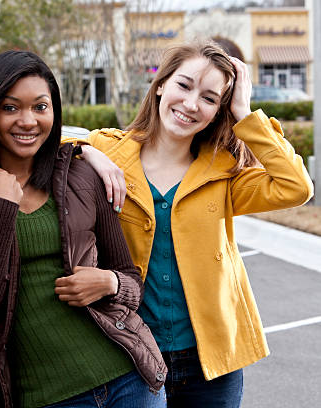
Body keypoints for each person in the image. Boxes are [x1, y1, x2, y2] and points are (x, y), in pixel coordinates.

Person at [63, 40, 314, 407]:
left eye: (210, 99)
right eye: (184, 85)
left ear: (218, 112)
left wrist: (244, 113)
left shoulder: (224, 174)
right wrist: (86, 152)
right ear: (161, 84)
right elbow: (44, 148)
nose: (192, 104)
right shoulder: (109, 149)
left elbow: (296, 187)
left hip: (209, 364)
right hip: (131, 355)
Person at [0, 50, 167, 408]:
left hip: (129, 380)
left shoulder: (80, 175)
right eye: (10, 108)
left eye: (40, 107)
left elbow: (131, 277)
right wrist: (2, 212)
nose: (28, 120)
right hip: (47, 397)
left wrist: (109, 282)